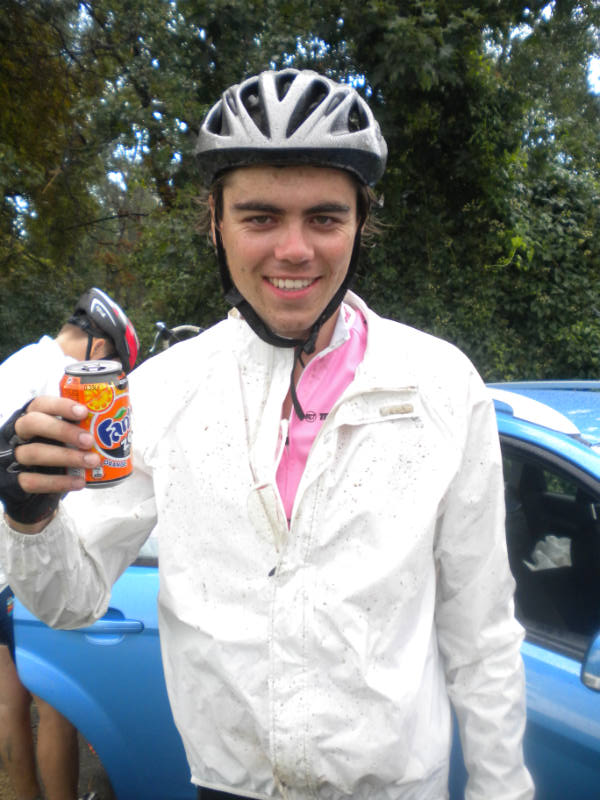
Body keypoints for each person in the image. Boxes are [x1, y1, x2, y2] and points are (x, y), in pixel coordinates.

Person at [0, 69, 533, 800]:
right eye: (259, 218)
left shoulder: (440, 385)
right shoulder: (164, 390)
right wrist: (30, 516)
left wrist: (503, 790)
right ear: (215, 223)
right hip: (232, 787)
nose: (294, 249)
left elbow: (482, 637)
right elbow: (72, 598)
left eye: (325, 218)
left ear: (361, 223)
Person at [0, 287, 138, 800]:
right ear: (99, 350)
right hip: (23, 559)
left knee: (9, 703)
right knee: (57, 706)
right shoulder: (59, 377)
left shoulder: (16, 363)